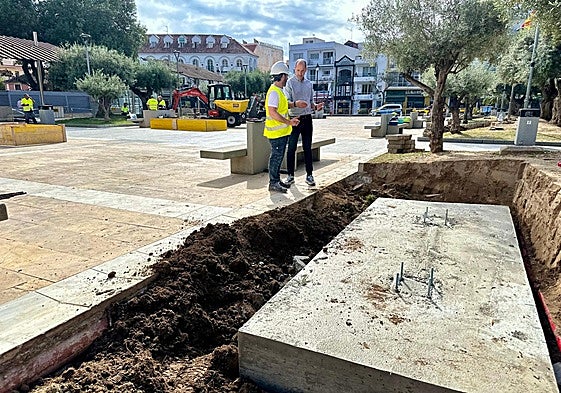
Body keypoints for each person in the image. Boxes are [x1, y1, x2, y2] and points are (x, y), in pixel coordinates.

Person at [264, 61, 306, 193]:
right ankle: (273, 182)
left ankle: (276, 180)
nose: (287, 78)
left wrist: (295, 104)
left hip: (280, 133)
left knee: (278, 157)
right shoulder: (274, 92)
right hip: (276, 133)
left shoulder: (278, 91)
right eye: (286, 76)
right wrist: (289, 122)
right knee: (276, 157)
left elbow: (283, 106)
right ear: (281, 76)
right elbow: (272, 112)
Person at [284, 59, 323, 187]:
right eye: (298, 70)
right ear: (294, 69)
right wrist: (296, 104)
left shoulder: (309, 84)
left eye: (302, 70)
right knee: (291, 148)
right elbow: (285, 103)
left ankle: (309, 175)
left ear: (306, 70)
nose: (300, 73)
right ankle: (290, 175)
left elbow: (311, 102)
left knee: (307, 147)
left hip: (307, 118)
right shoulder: (289, 83)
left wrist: (315, 106)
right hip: (295, 118)